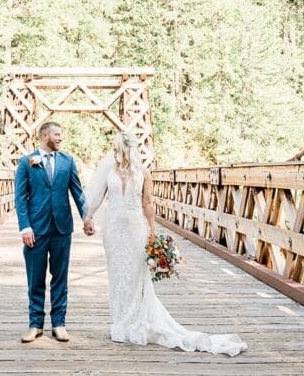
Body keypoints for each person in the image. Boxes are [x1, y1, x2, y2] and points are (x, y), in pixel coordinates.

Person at [83, 132, 246, 355]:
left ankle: (138, 322)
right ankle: (121, 324)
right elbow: (97, 197)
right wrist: (88, 217)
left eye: (117, 148)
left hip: (134, 228)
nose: (113, 152)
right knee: (118, 275)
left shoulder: (144, 173)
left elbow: (148, 203)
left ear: (125, 149)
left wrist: (152, 231)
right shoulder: (109, 171)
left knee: (135, 275)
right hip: (112, 230)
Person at [13, 121, 91, 343]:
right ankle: (35, 324)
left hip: (61, 228)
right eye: (57, 134)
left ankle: (59, 324)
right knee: (35, 278)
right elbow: (20, 198)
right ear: (45, 135)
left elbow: (78, 192)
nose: (60, 138)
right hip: (35, 229)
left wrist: (87, 217)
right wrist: (25, 227)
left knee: (60, 278)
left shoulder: (68, 161)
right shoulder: (26, 162)